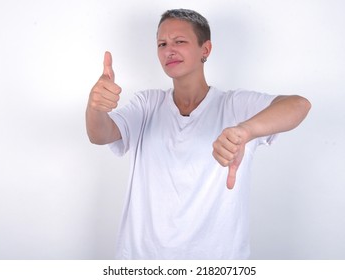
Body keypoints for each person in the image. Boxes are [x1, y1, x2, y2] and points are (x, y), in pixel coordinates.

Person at [86, 9, 311, 259]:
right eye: (162, 44)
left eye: (179, 41)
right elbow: (100, 134)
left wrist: (245, 131)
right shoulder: (147, 104)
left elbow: (299, 105)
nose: (169, 50)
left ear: (205, 49)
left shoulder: (234, 105)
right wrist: (95, 107)